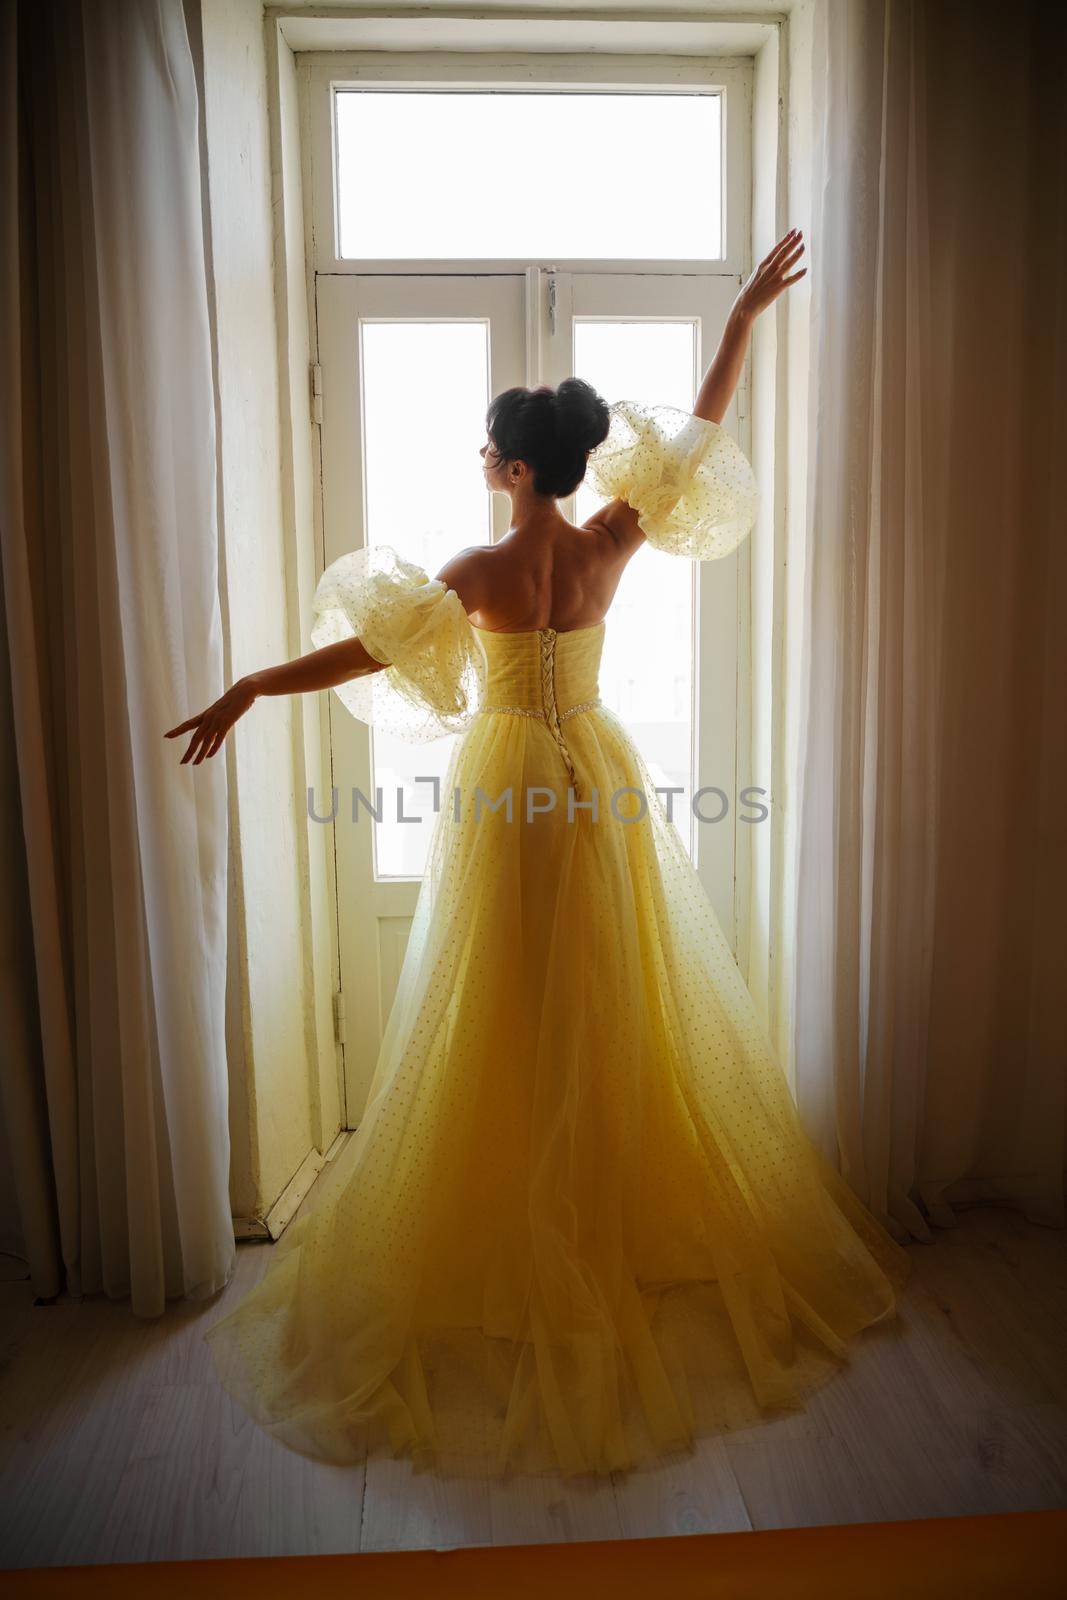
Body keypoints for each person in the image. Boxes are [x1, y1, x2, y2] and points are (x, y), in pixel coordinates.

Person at [169, 230, 911, 1480]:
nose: (477, 462)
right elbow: (691, 442)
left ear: (514, 470)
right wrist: (737, 324)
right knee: (607, 994)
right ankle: (586, 1216)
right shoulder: (610, 540)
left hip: (515, 782)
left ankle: (532, 1231)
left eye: (483, 451)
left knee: (506, 1002)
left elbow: (363, 659)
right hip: (597, 773)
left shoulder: (483, 566)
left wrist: (250, 684)